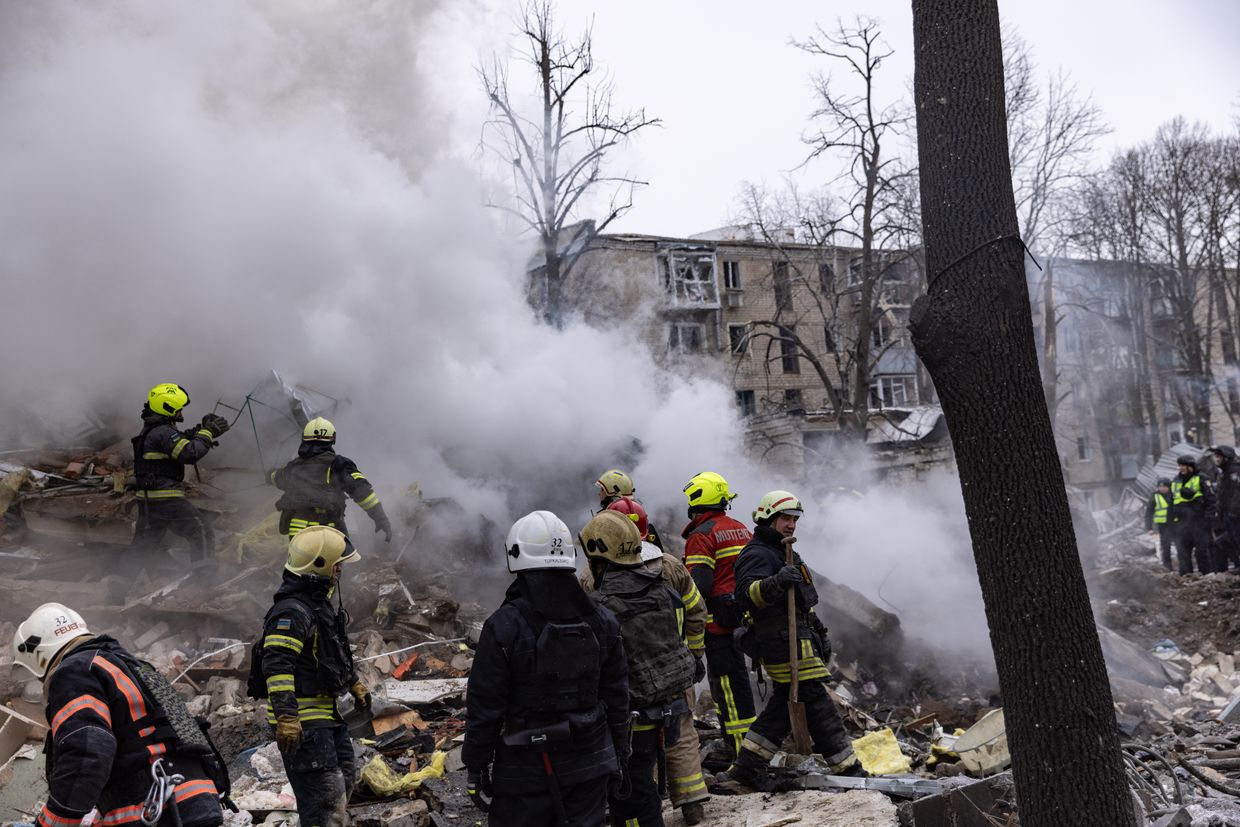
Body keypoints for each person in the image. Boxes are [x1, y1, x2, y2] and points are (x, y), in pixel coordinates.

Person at [463, 511, 630, 827]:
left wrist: (476, 764)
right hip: (590, 764)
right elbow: (618, 695)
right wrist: (619, 752)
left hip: (524, 773)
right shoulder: (604, 620)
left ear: (516, 555)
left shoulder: (504, 626)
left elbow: (485, 705)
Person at [14, 602, 227, 827]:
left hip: (153, 811)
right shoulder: (140, 668)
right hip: (199, 803)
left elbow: (87, 751)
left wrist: (55, 821)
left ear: (39, 657)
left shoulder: (75, 671)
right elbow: (189, 737)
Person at [730, 490, 864, 784]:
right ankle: (849, 769)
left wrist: (820, 630)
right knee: (816, 700)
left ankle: (748, 764)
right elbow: (745, 595)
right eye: (785, 519)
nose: (791, 525)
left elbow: (802, 602)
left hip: (799, 638)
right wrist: (776, 582)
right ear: (768, 517)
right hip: (779, 641)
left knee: (784, 704)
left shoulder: (785, 552)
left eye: (794, 519)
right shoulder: (757, 553)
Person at [583, 508, 707, 827]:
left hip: (634, 697)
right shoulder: (667, 568)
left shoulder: (596, 590)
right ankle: (691, 802)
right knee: (682, 737)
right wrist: (694, 654)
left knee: (635, 774)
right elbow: (696, 610)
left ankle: (648, 803)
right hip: (676, 675)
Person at [254, 526, 369, 827]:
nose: (341, 570)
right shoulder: (292, 613)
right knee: (324, 805)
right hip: (304, 725)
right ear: (320, 567)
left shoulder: (317, 607)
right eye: (337, 565)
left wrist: (352, 681)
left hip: (327, 718)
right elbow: (277, 665)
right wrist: (287, 719)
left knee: (343, 783)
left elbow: (331, 654)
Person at [680, 471, 755, 762]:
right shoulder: (739, 528)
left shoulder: (702, 535)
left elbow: (698, 586)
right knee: (739, 683)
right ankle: (747, 746)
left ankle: (738, 753)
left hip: (715, 626)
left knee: (725, 687)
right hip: (741, 621)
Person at [131, 382, 230, 564]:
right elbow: (189, 453)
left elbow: (180, 440)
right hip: (165, 497)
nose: (181, 414)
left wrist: (202, 429)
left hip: (148, 498)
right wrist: (207, 433)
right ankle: (204, 581)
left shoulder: (155, 430)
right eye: (178, 410)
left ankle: (115, 589)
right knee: (200, 529)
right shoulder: (162, 432)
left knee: (142, 547)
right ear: (166, 408)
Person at [270, 417, 392, 542]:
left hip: (298, 532)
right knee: (335, 560)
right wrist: (380, 518)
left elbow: (278, 478)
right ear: (332, 439)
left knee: (302, 561)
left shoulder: (293, 466)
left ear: (304, 438)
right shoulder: (339, 464)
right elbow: (362, 492)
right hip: (329, 531)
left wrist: (271, 474)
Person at [596, 469, 664, 549]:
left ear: (612, 491)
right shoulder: (639, 511)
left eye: (602, 489)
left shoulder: (613, 513)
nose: (599, 494)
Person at [1172, 454, 1212, 574]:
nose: (1180, 468)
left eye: (1183, 465)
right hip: (1181, 524)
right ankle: (1187, 579)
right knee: (1183, 553)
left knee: (1201, 552)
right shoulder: (1176, 480)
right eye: (1179, 465)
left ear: (1191, 466)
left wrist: (1209, 518)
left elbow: (1211, 499)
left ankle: (1206, 577)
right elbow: (1171, 501)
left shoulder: (1201, 478)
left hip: (1198, 522)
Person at [1212, 446, 1240, 572]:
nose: (1216, 459)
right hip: (1228, 514)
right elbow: (1221, 494)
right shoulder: (1223, 472)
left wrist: (1233, 511)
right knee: (1233, 540)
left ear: (1226, 457)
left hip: (1236, 514)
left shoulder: (1235, 470)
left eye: (1218, 456)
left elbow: (1237, 492)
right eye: (1215, 456)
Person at [1145, 478, 1175, 571]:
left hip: (1176, 524)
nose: (1162, 488)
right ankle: (1168, 568)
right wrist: (1149, 528)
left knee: (1181, 546)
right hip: (1163, 526)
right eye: (1160, 486)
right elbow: (1148, 513)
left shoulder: (1174, 495)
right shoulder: (1155, 496)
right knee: (1166, 547)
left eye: (1164, 486)